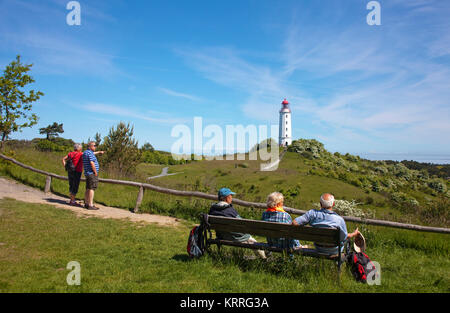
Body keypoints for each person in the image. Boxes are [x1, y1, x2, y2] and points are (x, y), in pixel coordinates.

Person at [292, 193, 360, 255]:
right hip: (334, 250)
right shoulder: (339, 220)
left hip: (318, 248)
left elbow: (295, 223)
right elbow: (343, 237)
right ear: (333, 204)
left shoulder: (312, 214)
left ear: (320, 204)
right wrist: (353, 234)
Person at [209, 187, 266, 259]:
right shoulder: (229, 210)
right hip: (235, 237)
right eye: (231, 196)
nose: (232, 198)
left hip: (221, 235)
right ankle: (263, 259)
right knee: (253, 241)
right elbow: (242, 223)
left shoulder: (212, 209)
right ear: (227, 198)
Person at [82, 141, 104, 210]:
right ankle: (90, 204)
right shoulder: (90, 153)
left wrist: (99, 152)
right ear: (90, 146)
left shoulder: (86, 152)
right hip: (92, 173)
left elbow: (93, 153)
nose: (95, 147)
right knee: (92, 188)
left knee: (88, 188)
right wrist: (95, 172)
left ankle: (86, 203)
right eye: (94, 145)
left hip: (87, 173)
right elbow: (92, 163)